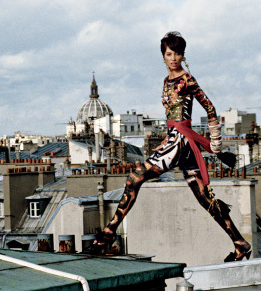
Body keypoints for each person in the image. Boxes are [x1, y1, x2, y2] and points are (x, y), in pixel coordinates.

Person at [93, 31, 251, 262]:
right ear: (163, 56)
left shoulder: (187, 79)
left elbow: (209, 107)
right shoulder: (167, 81)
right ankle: (240, 243)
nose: (174, 58)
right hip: (176, 140)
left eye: (177, 53)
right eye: (170, 54)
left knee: (134, 178)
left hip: (181, 142)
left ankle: (110, 230)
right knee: (204, 198)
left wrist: (215, 140)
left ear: (182, 55)